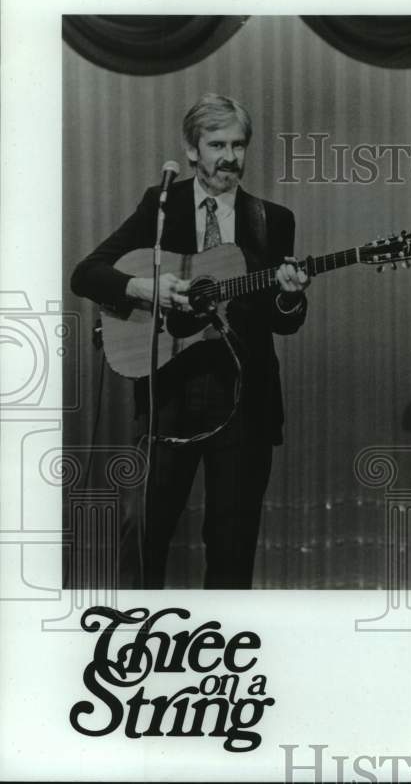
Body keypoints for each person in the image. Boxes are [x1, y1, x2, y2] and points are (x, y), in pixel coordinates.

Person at [71, 93, 310, 589]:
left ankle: (224, 649)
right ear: (192, 149)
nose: (230, 157)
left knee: (232, 544)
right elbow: (87, 273)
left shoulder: (272, 219)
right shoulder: (159, 208)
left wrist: (289, 297)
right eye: (217, 144)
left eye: (238, 145)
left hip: (244, 398)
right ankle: (138, 640)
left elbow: (281, 321)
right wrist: (144, 286)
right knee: (144, 534)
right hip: (170, 392)